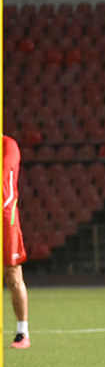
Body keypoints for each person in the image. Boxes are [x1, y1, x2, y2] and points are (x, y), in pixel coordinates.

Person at [3, 135, 30, 349]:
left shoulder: (8, 145)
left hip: (6, 219)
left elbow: (4, 175)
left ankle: (22, 332)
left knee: (13, 276)